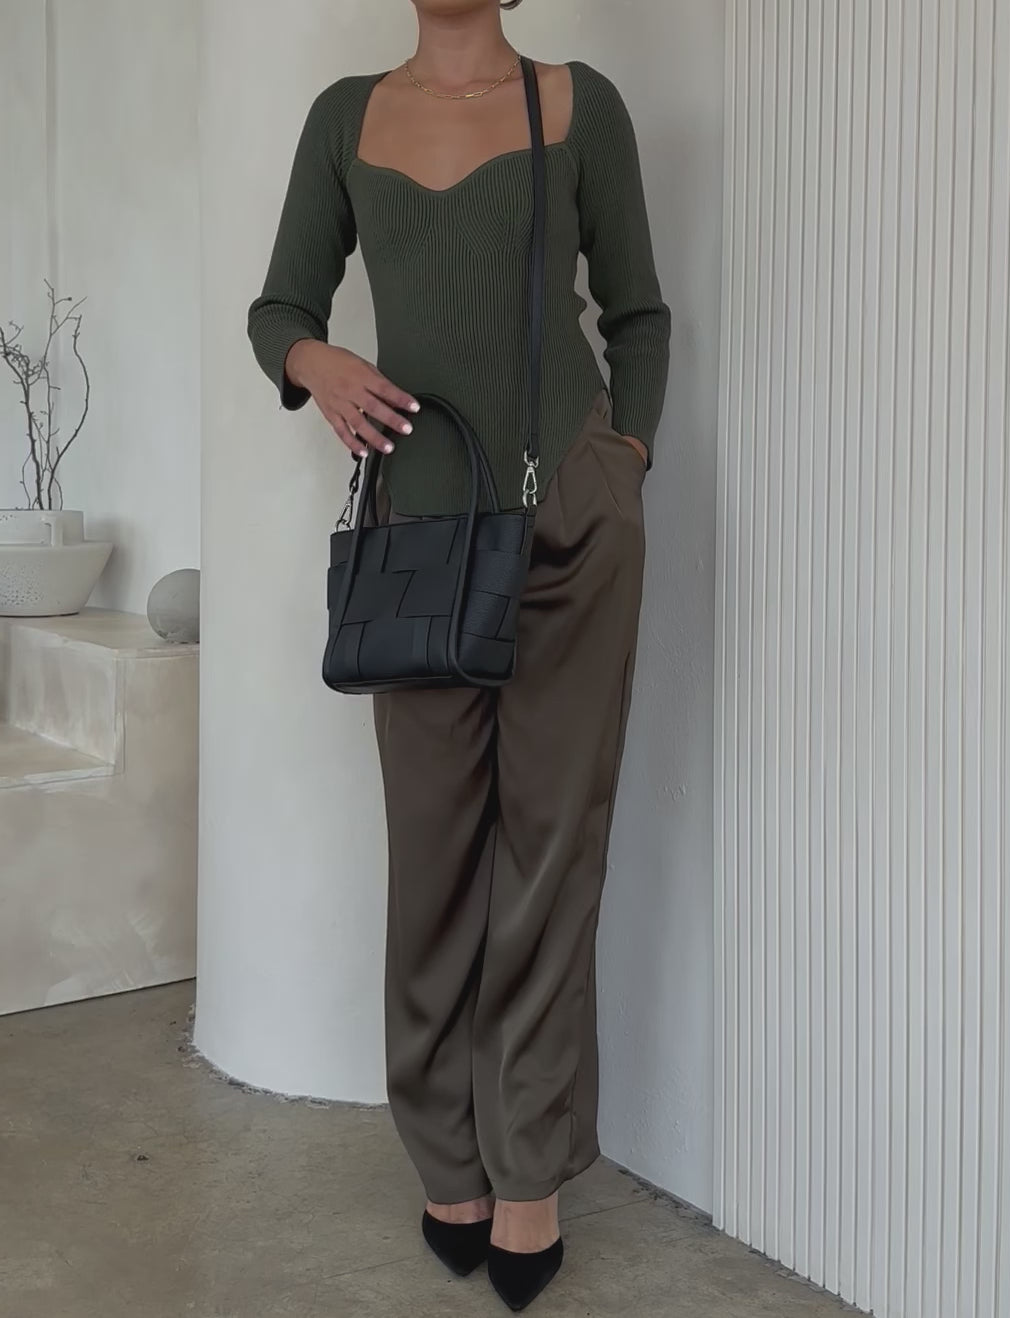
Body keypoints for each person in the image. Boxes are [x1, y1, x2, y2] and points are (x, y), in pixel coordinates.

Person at [247, 0, 670, 1308]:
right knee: (436, 857)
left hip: (572, 528)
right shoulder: (344, 118)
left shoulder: (580, 104)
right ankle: (448, 1152)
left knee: (551, 851)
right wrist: (317, 364)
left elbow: (640, 314)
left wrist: (624, 460)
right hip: (422, 541)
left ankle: (528, 1168)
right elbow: (277, 308)